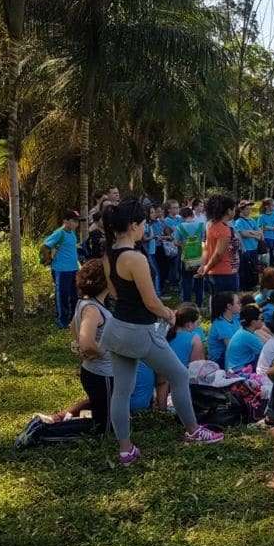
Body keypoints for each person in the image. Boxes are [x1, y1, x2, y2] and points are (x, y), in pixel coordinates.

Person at [99, 199, 222, 466]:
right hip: (140, 331)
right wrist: (169, 314)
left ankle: (125, 449)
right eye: (143, 224)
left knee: (122, 390)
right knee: (178, 374)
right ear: (133, 226)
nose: (145, 228)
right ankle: (193, 430)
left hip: (117, 327)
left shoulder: (109, 254)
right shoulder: (135, 258)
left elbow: (115, 293)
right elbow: (151, 301)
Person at [68, 258, 113, 433]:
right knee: (106, 429)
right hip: (102, 374)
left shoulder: (85, 303)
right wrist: (101, 351)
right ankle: (46, 431)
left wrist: (78, 345)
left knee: (103, 418)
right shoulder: (93, 309)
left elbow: (73, 326)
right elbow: (87, 342)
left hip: (93, 371)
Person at [42, 210, 83, 328]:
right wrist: (48, 259)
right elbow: (45, 246)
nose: (76, 224)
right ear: (66, 221)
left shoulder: (72, 233)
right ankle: (62, 321)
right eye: (74, 221)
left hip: (73, 269)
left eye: (77, 221)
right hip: (61, 270)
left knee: (74, 295)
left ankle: (73, 319)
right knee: (62, 296)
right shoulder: (59, 233)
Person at [196, 194, 240, 299]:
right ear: (229, 211)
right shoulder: (224, 229)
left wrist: (203, 266)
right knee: (226, 304)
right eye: (234, 209)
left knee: (215, 301)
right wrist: (206, 268)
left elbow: (206, 248)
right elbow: (218, 254)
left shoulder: (210, 224)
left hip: (214, 273)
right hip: (225, 273)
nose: (235, 211)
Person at [174, 207, 206, 306]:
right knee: (199, 280)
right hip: (199, 257)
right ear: (192, 215)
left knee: (186, 281)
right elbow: (204, 239)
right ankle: (199, 303)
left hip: (186, 258)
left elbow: (176, 242)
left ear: (182, 217)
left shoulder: (179, 227)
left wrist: (184, 244)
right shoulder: (201, 225)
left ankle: (187, 304)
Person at [225, 304, 267, 372]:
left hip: (233, 367)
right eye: (262, 319)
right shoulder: (248, 336)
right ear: (253, 322)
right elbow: (266, 352)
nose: (263, 321)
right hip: (238, 371)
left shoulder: (243, 330)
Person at [233, 201, 263, 292]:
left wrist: (251, 232)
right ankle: (245, 287)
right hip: (245, 249)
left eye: (250, 208)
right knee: (245, 269)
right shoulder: (239, 221)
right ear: (241, 210)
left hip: (254, 248)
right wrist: (254, 233)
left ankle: (253, 285)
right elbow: (242, 233)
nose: (249, 210)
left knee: (254, 268)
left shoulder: (252, 220)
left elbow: (260, 232)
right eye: (247, 209)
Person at [206, 291, 240, 370]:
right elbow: (232, 348)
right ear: (229, 306)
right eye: (237, 303)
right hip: (219, 361)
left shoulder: (235, 317)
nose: (240, 305)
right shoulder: (221, 324)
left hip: (228, 354)